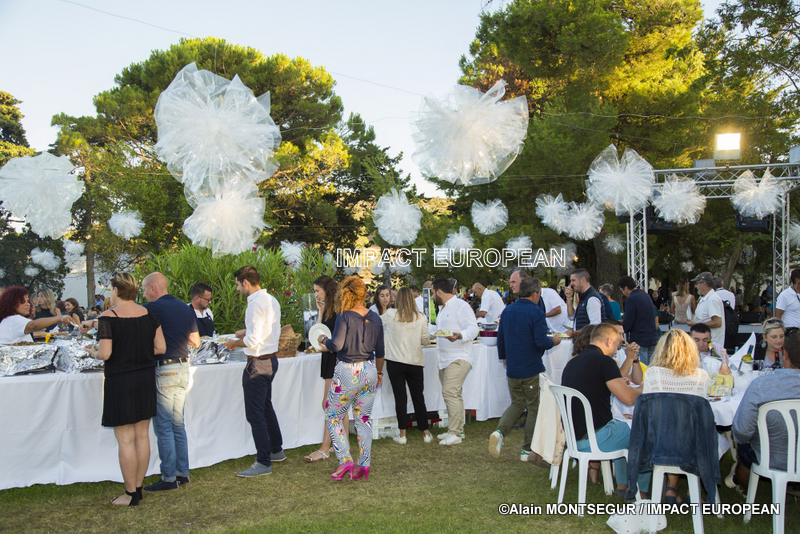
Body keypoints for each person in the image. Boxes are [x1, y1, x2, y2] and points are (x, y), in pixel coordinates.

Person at [83, 273, 166, 506]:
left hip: (120, 382)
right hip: (145, 379)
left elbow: (105, 353)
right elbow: (160, 347)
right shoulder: (149, 314)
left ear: (116, 290)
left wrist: (93, 352)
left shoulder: (108, 317)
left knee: (126, 440)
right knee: (142, 436)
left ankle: (130, 494)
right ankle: (137, 489)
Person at [561, 323, 649, 496]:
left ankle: (623, 485)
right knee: (647, 431)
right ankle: (642, 492)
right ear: (609, 341)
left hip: (574, 438)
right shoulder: (604, 361)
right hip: (598, 437)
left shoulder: (573, 362)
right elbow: (628, 398)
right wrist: (646, 387)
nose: (617, 350)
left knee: (624, 426)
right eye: (617, 344)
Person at [318, 276, 384, 481]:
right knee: (363, 419)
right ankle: (364, 463)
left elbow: (336, 345)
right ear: (364, 294)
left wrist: (323, 339)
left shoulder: (344, 316)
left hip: (347, 371)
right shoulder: (375, 318)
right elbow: (381, 351)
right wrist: (379, 373)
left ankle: (345, 460)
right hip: (369, 369)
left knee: (333, 415)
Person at [223, 266, 285, 477]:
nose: (237, 289)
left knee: (255, 413)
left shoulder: (255, 304)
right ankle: (276, 449)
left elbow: (254, 340)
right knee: (265, 407)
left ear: (246, 283)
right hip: (271, 360)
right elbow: (267, 330)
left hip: (257, 363)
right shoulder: (271, 300)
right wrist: (246, 331)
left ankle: (263, 462)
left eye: (238, 285)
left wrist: (234, 343)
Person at [141, 272, 200, 491]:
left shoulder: (151, 309)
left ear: (153, 288)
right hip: (183, 367)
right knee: (177, 423)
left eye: (144, 290)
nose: (144, 295)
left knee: (164, 426)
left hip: (164, 368)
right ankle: (182, 473)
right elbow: (195, 341)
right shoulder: (185, 308)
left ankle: (168, 478)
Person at [490, 278, 559, 461]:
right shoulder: (536, 312)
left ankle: (499, 432)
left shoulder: (508, 310)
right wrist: (554, 341)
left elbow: (500, 338)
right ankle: (527, 449)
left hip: (513, 367)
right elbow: (541, 341)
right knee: (534, 407)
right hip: (531, 367)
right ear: (535, 293)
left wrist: (504, 357)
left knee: (517, 403)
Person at [642, 328, 710, 505]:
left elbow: (649, 411)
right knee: (715, 440)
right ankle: (691, 489)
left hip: (658, 442)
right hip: (689, 445)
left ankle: (672, 487)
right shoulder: (701, 376)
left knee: (672, 430)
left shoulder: (653, 374)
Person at [731, 330, 800, 492]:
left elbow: (742, 432)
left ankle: (746, 488)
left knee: (745, 445)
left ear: (785, 355)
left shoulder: (761, 385)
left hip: (770, 457)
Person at [430, 277, 479, 445]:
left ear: (439, 292)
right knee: (454, 394)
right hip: (444, 359)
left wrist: (460, 336)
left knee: (450, 392)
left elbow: (473, 329)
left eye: (433, 293)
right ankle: (458, 429)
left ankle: (455, 433)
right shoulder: (443, 308)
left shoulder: (461, 306)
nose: (432, 297)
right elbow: (440, 330)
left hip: (459, 357)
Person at [304, 275, 346, 463]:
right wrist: (320, 312)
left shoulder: (339, 312)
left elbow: (338, 340)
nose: (316, 295)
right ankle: (340, 446)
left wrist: (328, 347)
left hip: (335, 359)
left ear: (326, 290)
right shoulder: (329, 310)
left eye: (317, 291)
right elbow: (319, 333)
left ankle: (326, 449)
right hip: (328, 359)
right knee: (337, 405)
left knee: (330, 405)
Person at [383, 287, 433, 444]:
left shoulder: (391, 314)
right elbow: (425, 340)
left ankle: (403, 434)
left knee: (400, 398)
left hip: (395, 361)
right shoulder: (421, 317)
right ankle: (426, 432)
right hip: (415, 361)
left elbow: (376, 321)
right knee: (418, 396)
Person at [0, 287, 72, 343]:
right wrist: (59, 318)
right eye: (22, 302)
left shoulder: (9, 319)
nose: (28, 304)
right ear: (11, 304)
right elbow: (33, 325)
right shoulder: (13, 319)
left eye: (27, 301)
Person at [618, 276, 659, 365]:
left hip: (639, 339)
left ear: (626, 288)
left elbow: (629, 322)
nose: (623, 293)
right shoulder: (646, 296)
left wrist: (621, 328)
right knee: (651, 367)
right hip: (652, 337)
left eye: (622, 290)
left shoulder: (631, 299)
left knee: (642, 368)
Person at [687, 272, 726, 348]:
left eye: (697, 284)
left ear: (704, 284)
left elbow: (717, 322)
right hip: (705, 343)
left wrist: (696, 325)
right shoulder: (705, 298)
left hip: (711, 345)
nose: (696, 286)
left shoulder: (712, 299)